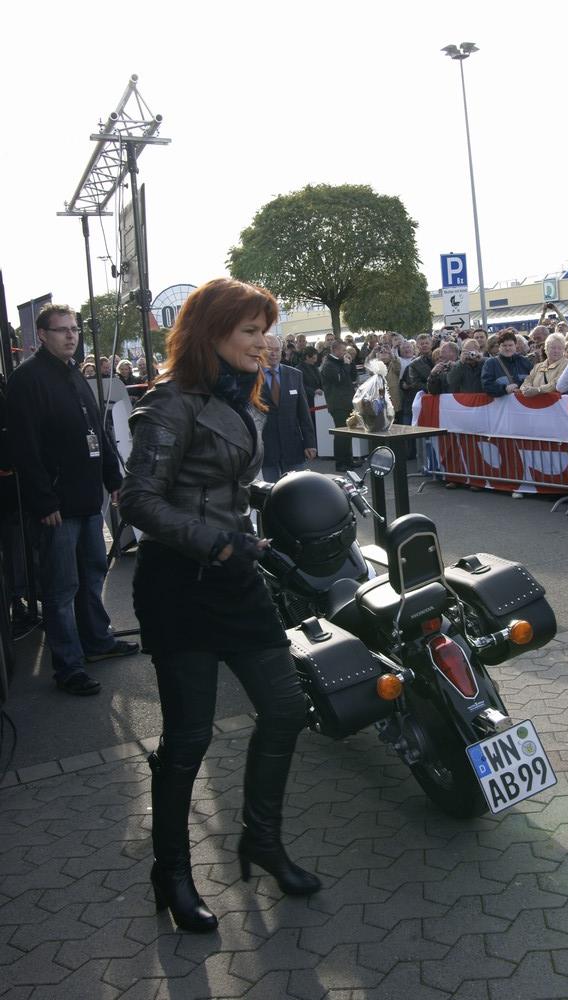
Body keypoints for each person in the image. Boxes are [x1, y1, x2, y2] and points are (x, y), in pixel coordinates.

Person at [119, 278, 321, 936]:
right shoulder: (169, 402)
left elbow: (224, 484)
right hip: (179, 584)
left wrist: (269, 511)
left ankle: (261, 841)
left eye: (266, 329)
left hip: (234, 574)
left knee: (286, 708)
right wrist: (215, 541)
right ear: (212, 334)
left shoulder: (239, 395)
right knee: (188, 739)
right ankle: (172, 872)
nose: (265, 342)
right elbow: (138, 500)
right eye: (250, 331)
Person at [6, 304, 139, 696]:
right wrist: (44, 501)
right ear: (41, 335)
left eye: (75, 329)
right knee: (61, 589)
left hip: (87, 499)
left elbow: (96, 430)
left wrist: (112, 477)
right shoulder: (27, 379)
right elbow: (24, 447)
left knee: (93, 575)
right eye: (62, 330)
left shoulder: (74, 374)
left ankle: (97, 642)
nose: (71, 336)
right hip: (57, 508)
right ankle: (68, 666)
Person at [260, 334, 316, 482]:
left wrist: (310, 443)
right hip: (266, 448)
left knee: (297, 489)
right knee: (270, 491)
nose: (273, 353)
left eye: (277, 349)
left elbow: (303, 413)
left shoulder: (295, 375)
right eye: (269, 349)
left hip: (293, 445)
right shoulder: (250, 377)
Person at [320, 338, 358, 471]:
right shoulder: (328, 364)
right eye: (342, 350)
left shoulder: (341, 362)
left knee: (348, 432)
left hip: (347, 402)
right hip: (338, 404)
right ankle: (340, 463)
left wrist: (351, 363)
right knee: (341, 433)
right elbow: (338, 379)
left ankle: (349, 460)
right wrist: (346, 365)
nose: (344, 353)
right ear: (334, 350)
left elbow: (352, 377)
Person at [481, 329, 533, 396]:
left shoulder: (525, 361)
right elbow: (487, 385)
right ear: (499, 347)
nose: (507, 348)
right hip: (502, 402)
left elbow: (534, 380)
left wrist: (519, 385)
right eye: (504, 345)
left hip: (523, 402)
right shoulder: (490, 363)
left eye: (510, 345)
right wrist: (504, 389)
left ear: (515, 346)